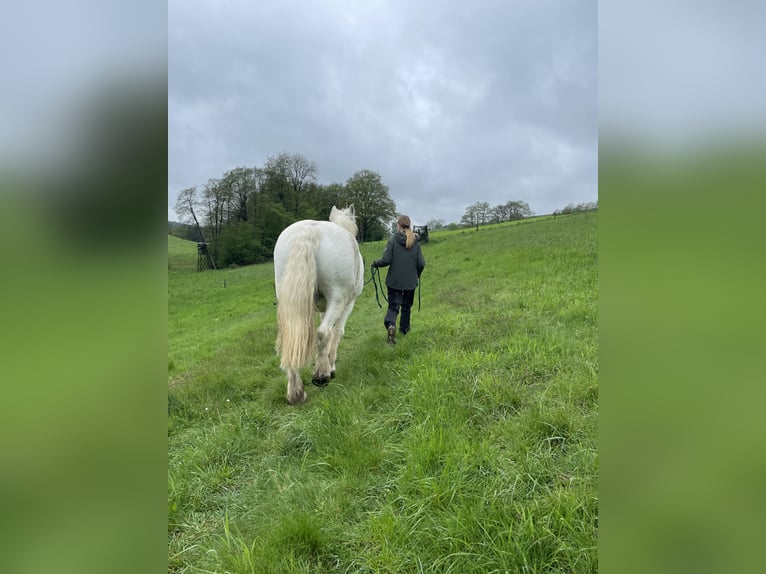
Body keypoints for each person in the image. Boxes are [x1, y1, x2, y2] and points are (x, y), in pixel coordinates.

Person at [371, 215, 426, 345]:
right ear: (409, 225)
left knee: (393, 307)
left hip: (394, 282)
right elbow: (421, 263)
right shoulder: (416, 242)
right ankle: (404, 331)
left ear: (398, 225)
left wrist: (375, 264)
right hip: (410, 283)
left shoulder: (393, 240)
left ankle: (391, 325)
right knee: (406, 307)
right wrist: (416, 275)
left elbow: (386, 260)